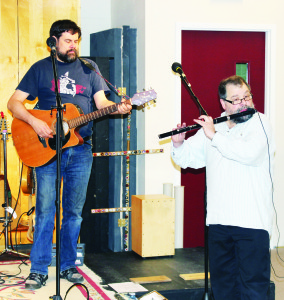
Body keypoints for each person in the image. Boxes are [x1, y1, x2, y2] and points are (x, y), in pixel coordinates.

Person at [7, 19, 132, 289]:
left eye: (76, 40)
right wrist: (34, 122)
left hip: (80, 149)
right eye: (67, 41)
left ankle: (67, 266)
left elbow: (102, 103)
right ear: (54, 42)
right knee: (44, 211)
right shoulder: (41, 68)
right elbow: (14, 103)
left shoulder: (90, 69)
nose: (73, 46)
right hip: (46, 151)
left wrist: (118, 107)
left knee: (73, 212)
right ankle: (38, 269)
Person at [171, 75, 275, 300]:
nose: (244, 103)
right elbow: (189, 159)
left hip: (252, 222)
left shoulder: (260, 123)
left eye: (246, 97)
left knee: (253, 288)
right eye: (236, 99)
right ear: (223, 104)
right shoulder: (214, 126)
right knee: (223, 286)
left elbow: (249, 154)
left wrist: (214, 136)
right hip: (219, 222)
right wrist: (178, 143)